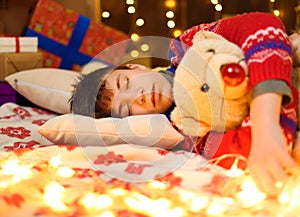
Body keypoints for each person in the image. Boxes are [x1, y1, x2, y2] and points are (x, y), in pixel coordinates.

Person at [70, 12, 299, 196]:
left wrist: (264, 121)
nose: (138, 96)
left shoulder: (184, 46)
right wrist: (278, 55)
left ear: (135, 67)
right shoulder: (187, 134)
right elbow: (248, 150)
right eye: (126, 108)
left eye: (126, 83)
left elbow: (261, 24)